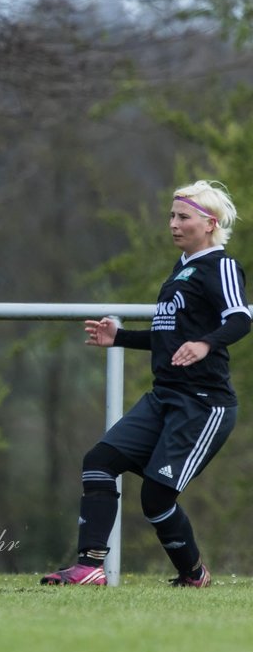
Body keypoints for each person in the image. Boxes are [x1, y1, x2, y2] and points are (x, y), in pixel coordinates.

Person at [42, 180, 249, 587]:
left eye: (183, 217)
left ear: (209, 224)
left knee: (156, 497)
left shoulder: (220, 265)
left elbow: (241, 318)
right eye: (171, 216)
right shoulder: (181, 270)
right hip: (164, 397)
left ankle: (193, 575)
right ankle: (89, 568)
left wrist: (207, 344)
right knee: (99, 461)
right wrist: (118, 338)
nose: (173, 224)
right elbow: (169, 336)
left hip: (203, 404)